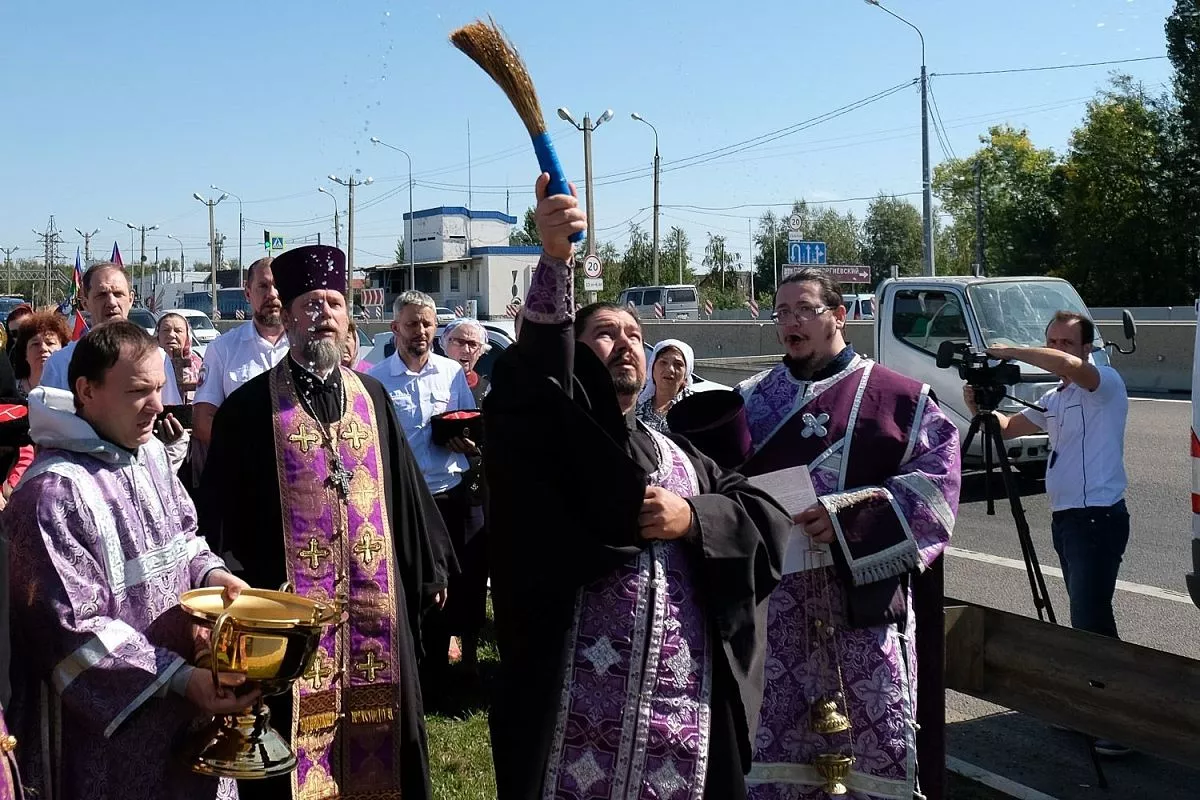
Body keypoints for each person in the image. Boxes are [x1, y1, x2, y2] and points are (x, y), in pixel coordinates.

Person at [484, 174, 792, 800]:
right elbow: (533, 384)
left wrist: (694, 518)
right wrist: (553, 260)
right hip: (571, 710)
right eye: (604, 333)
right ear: (573, 349)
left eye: (633, 335)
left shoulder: (684, 457)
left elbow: (762, 512)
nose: (624, 343)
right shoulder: (555, 438)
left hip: (679, 722)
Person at [199, 244, 450, 799]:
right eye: (310, 303)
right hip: (292, 624)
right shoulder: (246, 411)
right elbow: (222, 518)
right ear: (286, 315)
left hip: (374, 614)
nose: (324, 313)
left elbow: (405, 494)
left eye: (334, 302)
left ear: (348, 317)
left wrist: (429, 569)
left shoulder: (373, 398)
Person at [4, 321, 259, 800]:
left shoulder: (149, 455)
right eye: (139, 391)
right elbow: (72, 631)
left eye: (160, 387)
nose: (158, 406)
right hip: (109, 729)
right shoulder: (51, 495)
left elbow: (184, 536)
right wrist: (181, 679)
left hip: (188, 701)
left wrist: (213, 573)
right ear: (87, 391)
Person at [732, 268, 960, 800]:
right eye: (782, 312)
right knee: (771, 747)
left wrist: (845, 517)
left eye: (804, 310)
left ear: (839, 315)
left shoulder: (899, 398)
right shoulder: (751, 400)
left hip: (859, 608)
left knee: (873, 736)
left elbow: (938, 489)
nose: (790, 322)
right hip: (774, 606)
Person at [962, 310, 1130, 754]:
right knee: (1081, 620)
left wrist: (1014, 351)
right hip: (1068, 519)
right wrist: (977, 403)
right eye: (1051, 341)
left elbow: (1072, 370)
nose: (1057, 351)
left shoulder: (1104, 383)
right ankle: (1083, 706)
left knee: (1091, 619)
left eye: (1066, 343)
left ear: (1086, 348)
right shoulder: (1058, 398)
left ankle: (1120, 721)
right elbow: (1010, 428)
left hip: (1097, 519)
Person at [367, 291, 475, 702]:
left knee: (448, 588)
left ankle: (439, 677)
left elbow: (465, 424)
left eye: (428, 324)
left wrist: (464, 440)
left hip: (447, 495)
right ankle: (405, 672)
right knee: (407, 588)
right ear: (395, 328)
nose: (422, 332)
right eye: (413, 324)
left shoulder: (451, 374)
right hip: (402, 501)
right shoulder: (376, 380)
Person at [40, 264, 182, 407]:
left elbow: (170, 413)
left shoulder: (157, 357)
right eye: (102, 295)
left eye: (118, 294)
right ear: (85, 302)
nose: (111, 302)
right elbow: (49, 423)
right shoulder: (59, 364)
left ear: (131, 299)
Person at [439, 318, 492, 670]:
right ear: (446, 344)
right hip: (444, 486)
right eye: (460, 341)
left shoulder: (490, 387)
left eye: (474, 344)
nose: (466, 349)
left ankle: (471, 648)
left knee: (473, 567)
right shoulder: (439, 378)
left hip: (481, 490)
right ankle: (444, 641)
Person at [192, 257, 289, 448]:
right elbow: (203, 420)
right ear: (247, 292)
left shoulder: (305, 348)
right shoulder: (222, 349)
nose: (272, 294)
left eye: (278, 286)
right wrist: (243, 454)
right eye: (263, 286)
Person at [3, 311, 70, 497]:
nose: (43, 348)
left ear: (63, 349)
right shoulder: (10, 390)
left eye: (50, 343)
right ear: (24, 353)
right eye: (35, 344)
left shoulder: (73, 391)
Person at [636, 338, 695, 433]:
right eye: (663, 362)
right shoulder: (635, 403)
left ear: (686, 373)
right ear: (652, 367)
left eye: (678, 364)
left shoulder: (696, 406)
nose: (670, 369)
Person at [157, 312, 203, 400]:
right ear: (158, 335)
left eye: (178, 331)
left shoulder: (199, 366)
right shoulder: (146, 363)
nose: (171, 335)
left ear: (187, 336)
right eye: (166, 330)